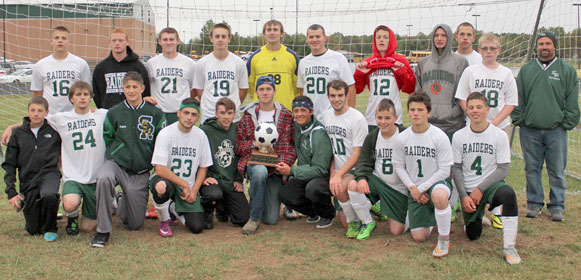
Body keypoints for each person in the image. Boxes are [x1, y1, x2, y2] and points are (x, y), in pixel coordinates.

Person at [91, 72, 166, 248]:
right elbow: (108, 137)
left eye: (135, 87)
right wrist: (118, 153)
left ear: (142, 88)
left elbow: (160, 142)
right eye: (128, 87)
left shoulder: (154, 113)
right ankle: (102, 231)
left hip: (140, 171)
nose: (131, 91)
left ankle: (120, 199)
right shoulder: (115, 112)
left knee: (134, 224)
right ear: (123, 89)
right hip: (116, 164)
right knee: (103, 178)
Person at [511, 31, 580, 222]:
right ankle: (534, 203)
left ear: (555, 46)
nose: (544, 47)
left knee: (556, 170)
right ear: (537, 47)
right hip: (530, 130)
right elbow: (519, 97)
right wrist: (520, 119)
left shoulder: (566, 70)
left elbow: (572, 101)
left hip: (556, 131)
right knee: (531, 168)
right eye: (541, 44)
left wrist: (566, 123)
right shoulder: (526, 70)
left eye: (548, 43)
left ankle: (557, 205)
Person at [455, 33, 518, 229]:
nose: (489, 52)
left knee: (499, 166)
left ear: (498, 50)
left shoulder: (506, 73)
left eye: (492, 48)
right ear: (479, 50)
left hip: (498, 126)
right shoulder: (471, 71)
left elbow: (511, 102)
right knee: (468, 165)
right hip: (472, 128)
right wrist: (475, 116)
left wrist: (494, 122)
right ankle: (469, 203)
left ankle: (498, 211)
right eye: (485, 48)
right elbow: (462, 97)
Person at [452, 92, 521, 265]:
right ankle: (478, 214)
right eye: (471, 107)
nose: (475, 111)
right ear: (466, 110)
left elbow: (503, 168)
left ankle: (509, 247)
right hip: (468, 189)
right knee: (473, 236)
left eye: (479, 107)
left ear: (487, 109)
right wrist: (463, 195)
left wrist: (480, 189)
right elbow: (457, 168)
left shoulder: (498, 135)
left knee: (508, 195)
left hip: (489, 186)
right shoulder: (459, 136)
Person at [393, 91, 453, 258]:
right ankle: (435, 214)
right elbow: (398, 166)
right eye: (412, 110)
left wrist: (422, 188)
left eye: (420, 109)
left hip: (437, 183)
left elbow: (444, 170)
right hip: (414, 187)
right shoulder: (402, 137)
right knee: (419, 237)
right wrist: (413, 188)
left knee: (439, 196)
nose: (416, 113)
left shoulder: (439, 136)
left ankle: (443, 239)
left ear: (429, 112)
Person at [235, 76, 296, 235]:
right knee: (260, 171)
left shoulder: (285, 115)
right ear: (256, 92)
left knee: (270, 219)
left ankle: (277, 199)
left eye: (268, 89)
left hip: (275, 168)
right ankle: (254, 218)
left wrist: (281, 164)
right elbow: (239, 146)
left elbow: (291, 146)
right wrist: (253, 144)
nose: (265, 92)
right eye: (261, 89)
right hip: (254, 164)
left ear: (274, 91)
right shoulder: (248, 116)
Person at [48, 81, 107, 236]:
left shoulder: (101, 115)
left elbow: (124, 111)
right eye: (78, 94)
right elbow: (37, 118)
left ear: (91, 98)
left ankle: (110, 202)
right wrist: (10, 128)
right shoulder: (61, 118)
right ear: (71, 99)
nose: (82, 98)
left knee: (88, 227)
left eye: (86, 94)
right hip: (73, 175)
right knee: (69, 204)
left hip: (95, 177)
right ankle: (72, 217)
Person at [150, 98, 213, 236]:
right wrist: (183, 184)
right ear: (178, 113)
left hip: (188, 186)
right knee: (161, 187)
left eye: (194, 114)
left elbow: (203, 167)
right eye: (186, 113)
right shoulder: (166, 133)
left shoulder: (201, 136)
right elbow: (159, 169)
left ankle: (173, 208)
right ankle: (164, 221)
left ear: (198, 117)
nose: (189, 118)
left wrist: (194, 190)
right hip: (168, 181)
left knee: (197, 227)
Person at [2, 96, 61, 241]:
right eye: (32, 110)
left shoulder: (54, 130)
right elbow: (9, 165)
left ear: (47, 112)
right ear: (28, 112)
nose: (36, 114)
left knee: (49, 194)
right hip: (29, 179)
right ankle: (32, 206)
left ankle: (50, 227)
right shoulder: (18, 134)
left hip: (49, 174)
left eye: (40, 110)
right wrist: (11, 192)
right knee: (33, 230)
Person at [350, 99, 408, 237]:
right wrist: (362, 178)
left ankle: (400, 211)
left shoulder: (404, 135)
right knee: (353, 184)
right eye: (380, 118)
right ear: (375, 117)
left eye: (387, 118)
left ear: (395, 117)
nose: (383, 121)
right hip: (378, 181)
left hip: (398, 188)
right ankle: (368, 221)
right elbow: (363, 161)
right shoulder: (373, 136)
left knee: (396, 231)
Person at [277, 95, 335, 228]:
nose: (299, 114)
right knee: (285, 194)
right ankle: (314, 212)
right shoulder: (297, 127)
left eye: (303, 110)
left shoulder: (318, 134)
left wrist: (292, 170)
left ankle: (327, 214)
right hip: (306, 173)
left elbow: (320, 169)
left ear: (311, 111)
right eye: (296, 111)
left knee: (313, 188)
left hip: (323, 176)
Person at [321, 80, 369, 239]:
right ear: (328, 96)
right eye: (333, 95)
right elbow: (330, 148)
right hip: (339, 168)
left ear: (347, 95)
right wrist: (332, 171)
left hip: (355, 169)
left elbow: (357, 153)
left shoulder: (357, 118)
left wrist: (338, 174)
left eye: (340, 95)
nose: (336, 99)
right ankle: (358, 214)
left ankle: (363, 219)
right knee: (344, 222)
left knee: (339, 187)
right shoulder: (326, 116)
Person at [354, 25, 416, 131]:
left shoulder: (401, 61)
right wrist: (359, 74)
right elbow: (357, 89)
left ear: (391, 40)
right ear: (374, 40)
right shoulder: (369, 62)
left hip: (394, 117)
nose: (381, 40)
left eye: (385, 37)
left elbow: (410, 87)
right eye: (378, 37)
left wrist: (402, 72)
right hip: (372, 117)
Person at [201, 97, 250, 228]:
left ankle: (223, 208)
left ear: (234, 114)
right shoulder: (206, 130)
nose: (226, 117)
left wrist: (239, 179)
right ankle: (207, 212)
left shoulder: (238, 130)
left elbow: (242, 156)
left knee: (243, 219)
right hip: (213, 179)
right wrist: (204, 177)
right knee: (213, 194)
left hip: (230, 181)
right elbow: (198, 156)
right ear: (216, 114)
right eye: (222, 113)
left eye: (229, 113)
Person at [415, 23, 469, 138]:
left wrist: (451, 112)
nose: (439, 38)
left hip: (453, 126)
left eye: (443, 35)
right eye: (436, 35)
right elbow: (418, 94)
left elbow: (464, 94)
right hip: (428, 124)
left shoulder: (460, 62)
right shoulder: (423, 63)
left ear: (449, 37)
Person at [297, 24, 356, 120]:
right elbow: (302, 90)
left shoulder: (338, 58)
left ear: (325, 38)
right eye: (311, 37)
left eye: (318, 36)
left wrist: (351, 114)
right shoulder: (303, 62)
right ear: (307, 39)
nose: (314, 40)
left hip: (333, 115)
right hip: (310, 117)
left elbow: (350, 86)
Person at [195, 23, 249, 124]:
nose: (220, 39)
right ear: (211, 38)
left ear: (229, 39)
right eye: (217, 36)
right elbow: (199, 90)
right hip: (209, 116)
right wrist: (210, 105)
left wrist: (232, 107)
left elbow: (243, 89)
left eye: (223, 36)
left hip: (232, 117)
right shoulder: (202, 63)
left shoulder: (239, 63)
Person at [31, 26, 91, 114]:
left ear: (69, 42)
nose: (60, 40)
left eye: (64, 38)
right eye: (56, 38)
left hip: (74, 115)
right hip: (50, 116)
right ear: (51, 42)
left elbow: (87, 91)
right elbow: (37, 94)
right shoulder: (40, 65)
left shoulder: (81, 64)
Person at [146, 27, 196, 125]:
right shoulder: (151, 63)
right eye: (165, 39)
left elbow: (195, 88)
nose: (168, 42)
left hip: (181, 112)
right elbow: (147, 85)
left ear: (178, 41)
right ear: (159, 42)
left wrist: (184, 100)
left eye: (171, 39)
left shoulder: (189, 63)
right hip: (158, 111)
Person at [247, 20, 300, 110]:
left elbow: (297, 86)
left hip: (286, 109)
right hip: (261, 110)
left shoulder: (291, 56)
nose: (272, 32)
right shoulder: (255, 57)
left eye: (275, 30)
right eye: (269, 30)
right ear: (264, 34)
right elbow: (250, 84)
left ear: (282, 33)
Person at [93, 28, 150, 109]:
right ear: (110, 43)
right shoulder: (101, 67)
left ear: (127, 42)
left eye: (120, 40)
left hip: (133, 113)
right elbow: (96, 93)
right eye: (114, 40)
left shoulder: (138, 66)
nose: (117, 43)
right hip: (109, 114)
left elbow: (146, 90)